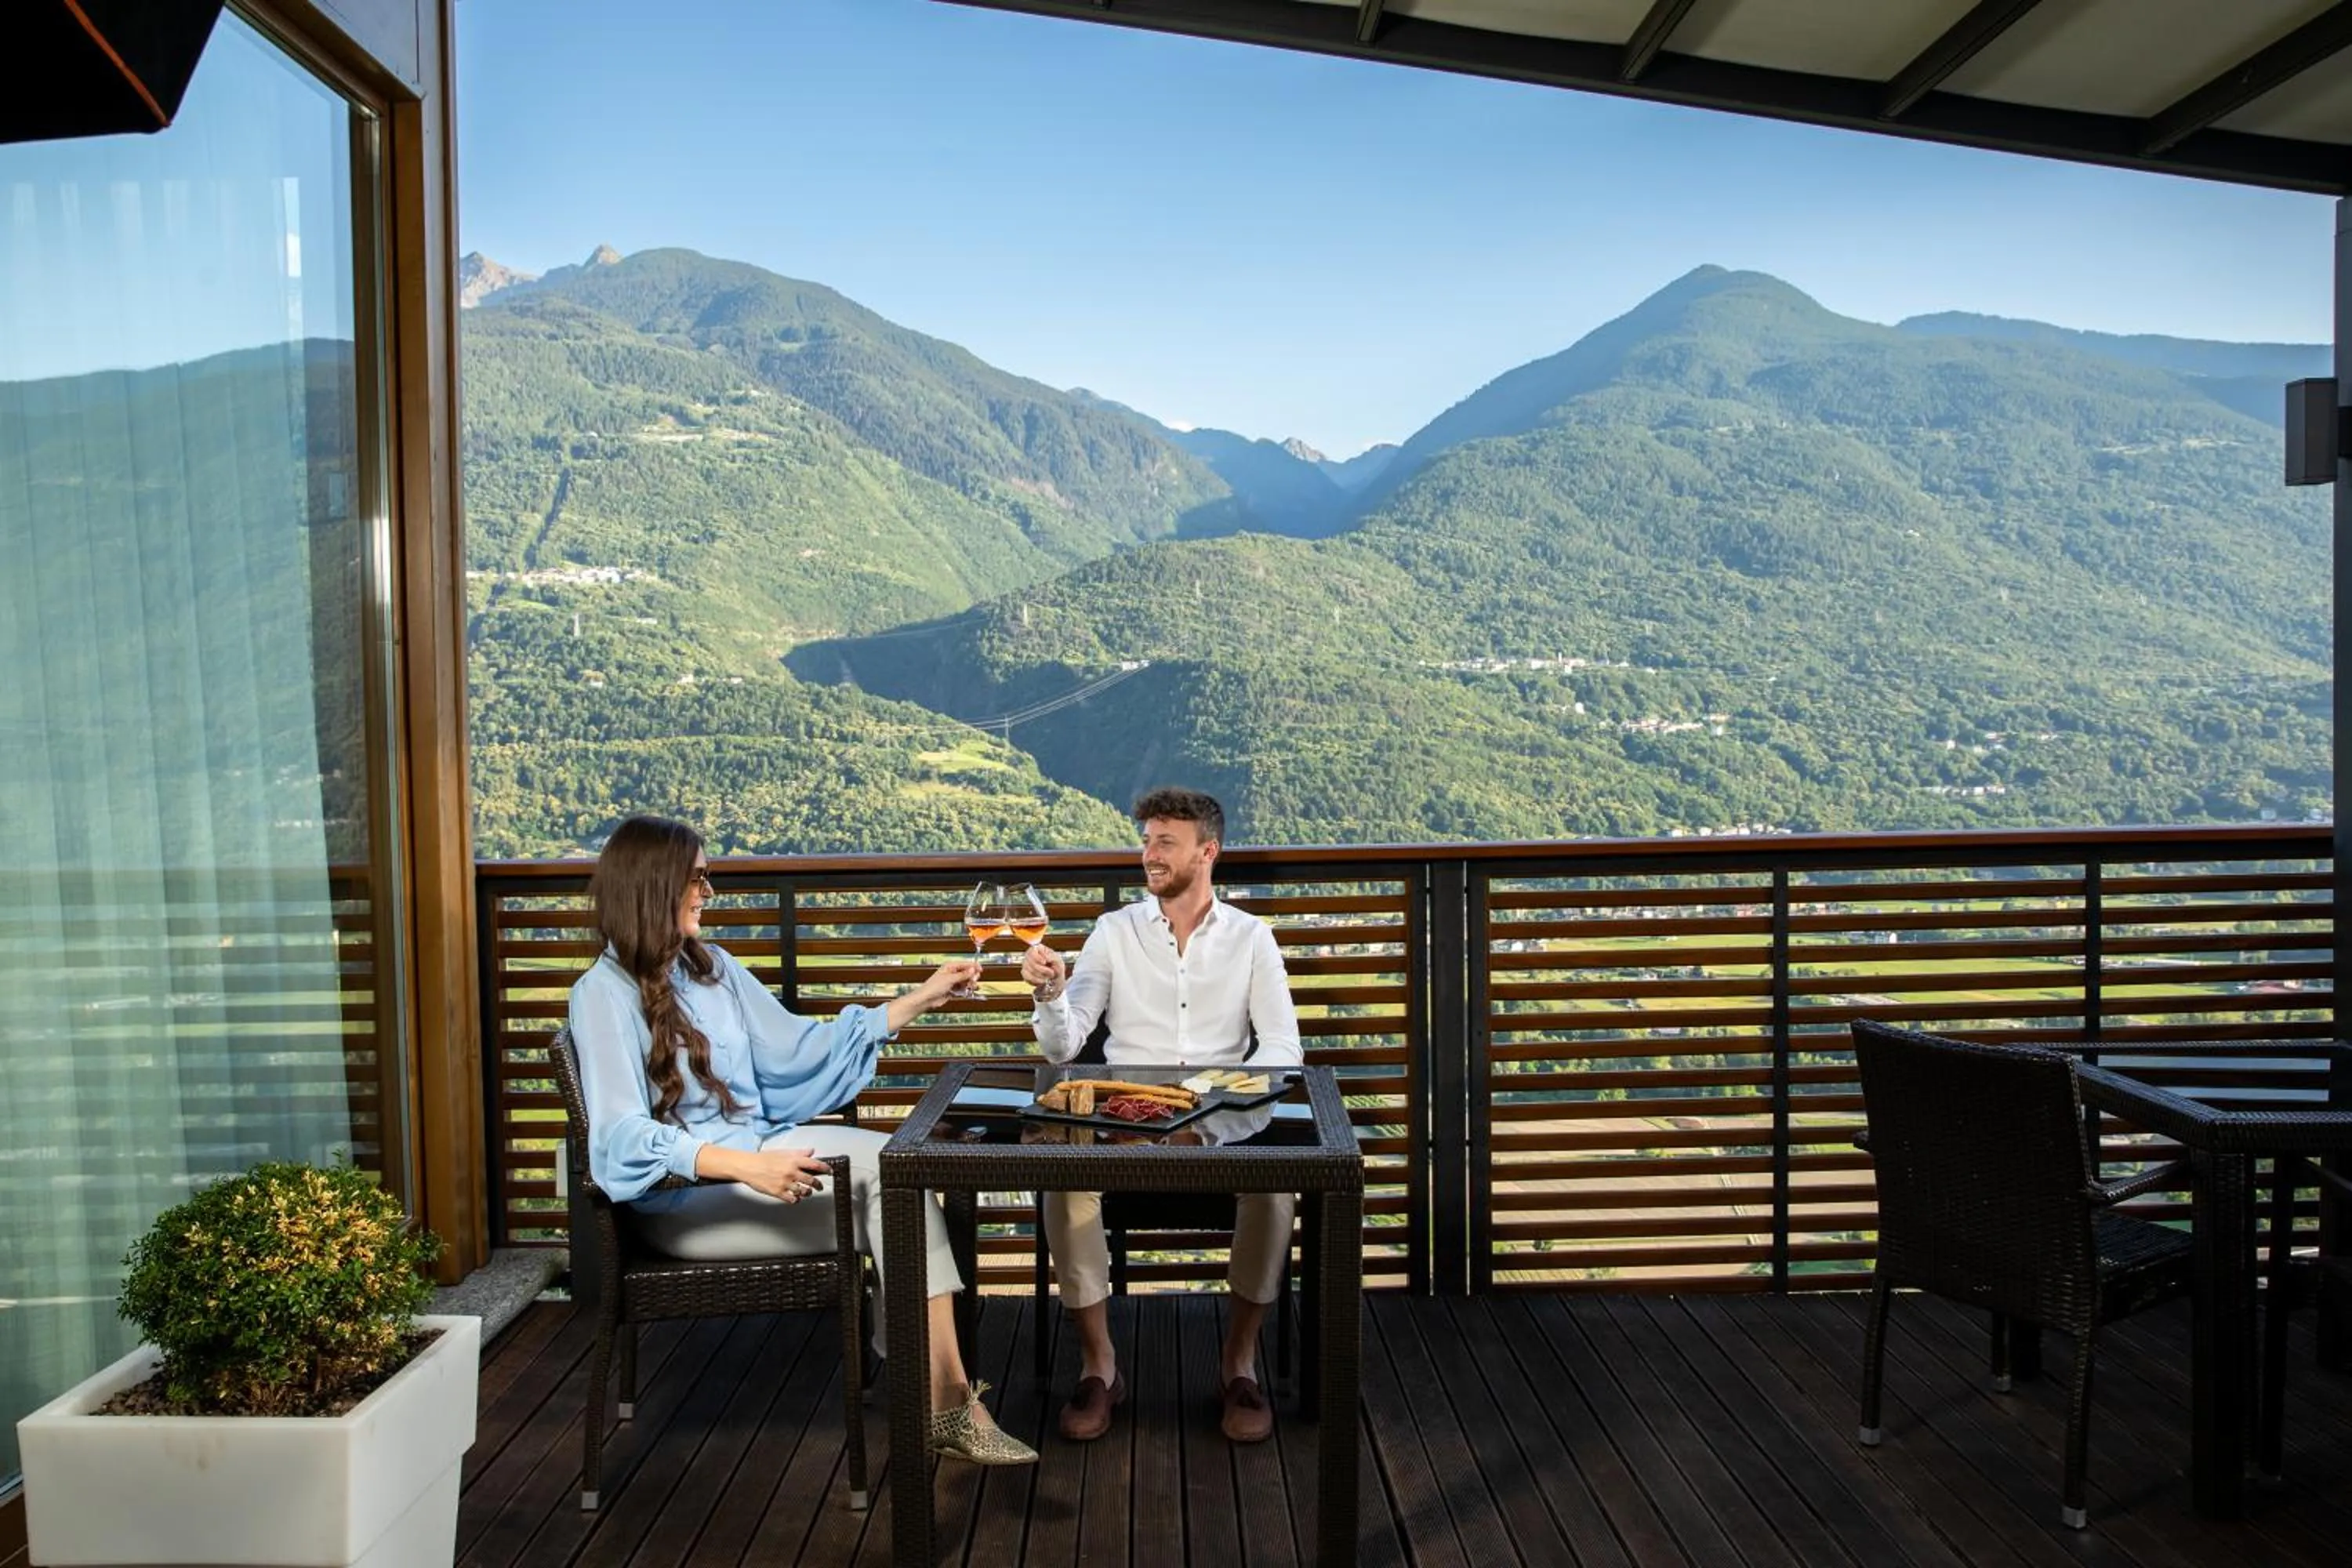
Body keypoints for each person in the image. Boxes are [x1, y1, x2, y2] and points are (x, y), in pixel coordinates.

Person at [568, 814, 1036, 1467]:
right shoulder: (601, 995)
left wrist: (921, 999)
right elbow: (618, 1138)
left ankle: (941, 1400)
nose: (709, 892)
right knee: (891, 1176)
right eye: (699, 878)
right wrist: (743, 1167)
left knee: (898, 1176)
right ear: (655, 883)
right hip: (688, 1202)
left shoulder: (713, 970)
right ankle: (947, 1405)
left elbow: (795, 1051)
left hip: (760, 1154)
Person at [1018, 786, 1302, 1444]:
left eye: (1164, 842)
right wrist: (1052, 993)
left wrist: (1215, 1108)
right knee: (1066, 1186)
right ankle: (1100, 1368)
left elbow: (1283, 1047)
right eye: (1145, 840)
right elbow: (1064, 1046)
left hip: (1222, 1127)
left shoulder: (1252, 939)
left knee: (1277, 1189)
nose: (1149, 853)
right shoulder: (1114, 933)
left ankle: (1239, 1366)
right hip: (1120, 1127)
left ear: (1208, 851)